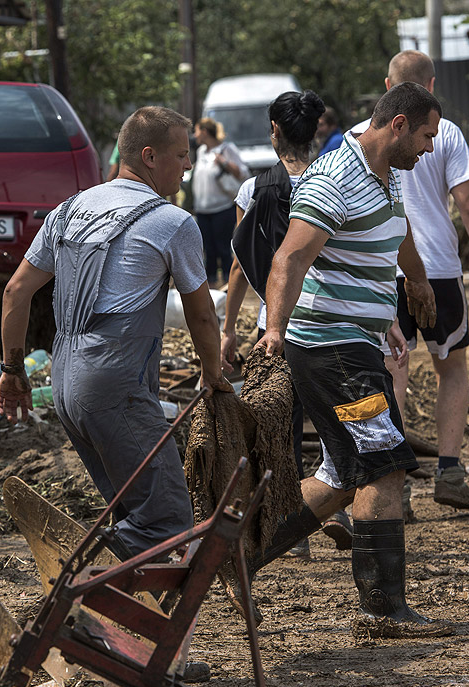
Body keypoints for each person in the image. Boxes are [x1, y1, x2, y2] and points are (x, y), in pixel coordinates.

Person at [244, 82, 452, 635]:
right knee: (385, 462)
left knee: (342, 475)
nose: (431, 148)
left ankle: (234, 557)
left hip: (352, 342)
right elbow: (289, 258)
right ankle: (384, 610)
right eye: (428, 135)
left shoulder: (390, 173)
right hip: (330, 347)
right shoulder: (335, 178)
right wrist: (273, 331)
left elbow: (395, 229)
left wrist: (413, 279)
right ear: (400, 125)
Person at [0, 106, 232, 564]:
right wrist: (211, 374)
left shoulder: (68, 210)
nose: (188, 165)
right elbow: (203, 316)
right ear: (149, 156)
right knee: (165, 520)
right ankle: (76, 574)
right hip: (111, 383)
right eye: (182, 155)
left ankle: (119, 616)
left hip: (65, 383)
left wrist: (11, 370)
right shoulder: (173, 222)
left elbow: (14, 292)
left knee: (132, 507)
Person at [353, 50, 469, 511]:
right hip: (438, 268)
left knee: (392, 373)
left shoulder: (362, 135)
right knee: (452, 368)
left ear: (388, 86)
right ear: (433, 86)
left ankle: (395, 485)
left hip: (384, 271)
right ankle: (449, 471)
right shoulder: (449, 133)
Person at [221, 89, 353, 558]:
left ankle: (288, 525)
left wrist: (228, 328)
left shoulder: (253, 190)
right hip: (331, 321)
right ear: (317, 129)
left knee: (281, 426)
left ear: (273, 131)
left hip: (273, 326)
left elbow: (240, 265)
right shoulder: (333, 184)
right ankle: (334, 504)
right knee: (334, 414)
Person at [191, 117, 249, 285]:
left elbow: (243, 172)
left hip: (222, 208)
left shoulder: (226, 149)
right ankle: (210, 284)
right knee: (208, 249)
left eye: (197, 131)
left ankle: (228, 283)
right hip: (203, 209)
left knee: (223, 248)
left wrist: (224, 162)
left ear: (204, 131)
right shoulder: (201, 151)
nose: (195, 135)